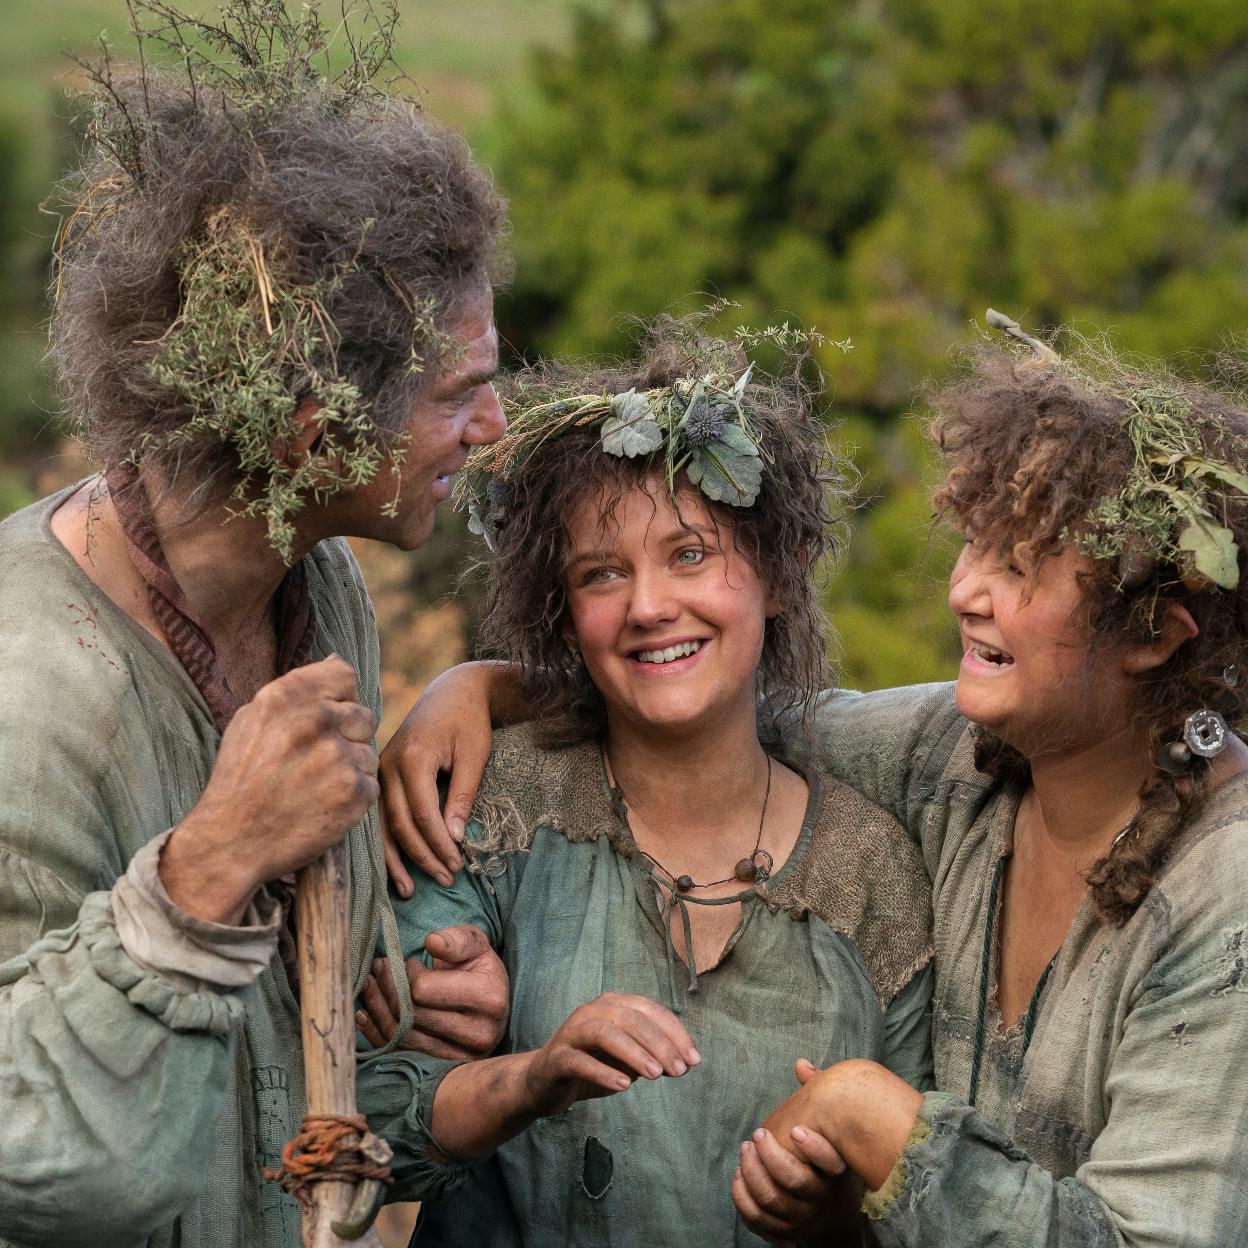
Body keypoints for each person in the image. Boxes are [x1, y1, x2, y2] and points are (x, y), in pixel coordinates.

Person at [381, 329, 1248, 1246]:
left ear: (1153, 637)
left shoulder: (1221, 895)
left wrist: (870, 1118)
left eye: (1019, 569)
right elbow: (707, 704)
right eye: (974, 548)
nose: (964, 590)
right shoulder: (957, 755)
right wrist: (477, 687)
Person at [0, 5, 510, 1246]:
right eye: (459, 396)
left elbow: (273, 1061)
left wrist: (401, 1007)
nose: (492, 433)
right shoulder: (29, 702)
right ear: (309, 429)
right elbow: (30, 1157)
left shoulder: (318, 592)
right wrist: (208, 868)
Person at [363, 320, 934, 1247]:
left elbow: (921, 1197)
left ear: (779, 576)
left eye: (691, 554)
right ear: (563, 613)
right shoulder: (489, 804)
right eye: (601, 574)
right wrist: (531, 1078)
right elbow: (361, 1121)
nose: (648, 606)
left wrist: (828, 1213)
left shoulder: (875, 876)